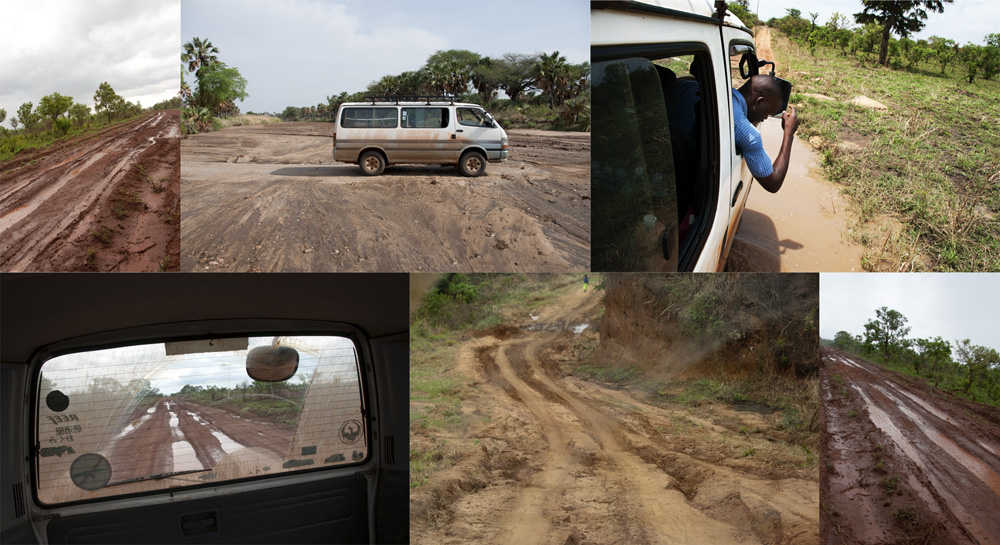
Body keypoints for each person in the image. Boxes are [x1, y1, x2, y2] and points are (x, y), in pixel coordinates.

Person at [733, 75, 799, 193]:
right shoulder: (748, 135)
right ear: (759, 102)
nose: (765, 118)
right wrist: (789, 133)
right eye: (768, 112)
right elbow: (773, 183)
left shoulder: (694, 87)